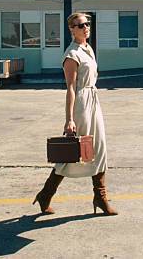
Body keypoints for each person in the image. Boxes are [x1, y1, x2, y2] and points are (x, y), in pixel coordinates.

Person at [33, 12, 118, 216]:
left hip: (93, 100)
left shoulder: (88, 48)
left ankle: (100, 196)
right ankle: (46, 193)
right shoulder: (72, 54)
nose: (86, 27)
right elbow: (70, 88)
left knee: (99, 148)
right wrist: (69, 119)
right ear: (71, 29)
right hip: (81, 103)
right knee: (74, 152)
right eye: (81, 25)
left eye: (88, 24)